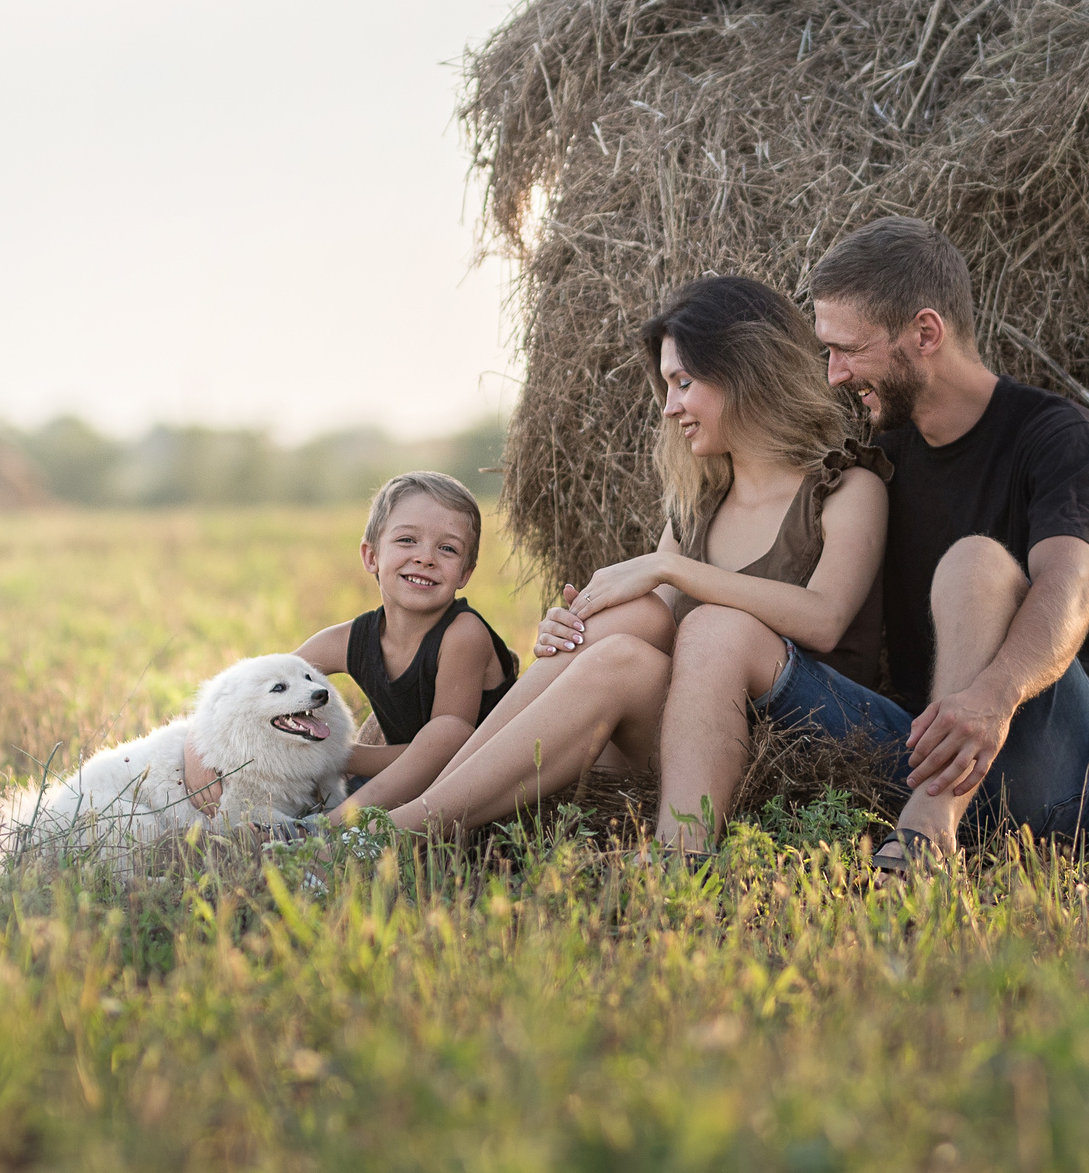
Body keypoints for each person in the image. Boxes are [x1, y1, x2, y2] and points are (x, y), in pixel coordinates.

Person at [659, 217, 1089, 871]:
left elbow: (1072, 589)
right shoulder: (879, 464)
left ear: (925, 333)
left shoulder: (1056, 437)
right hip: (927, 754)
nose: (833, 375)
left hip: (1068, 772)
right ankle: (678, 865)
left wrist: (993, 697)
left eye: (847, 349)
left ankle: (923, 842)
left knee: (974, 565)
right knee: (719, 631)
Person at [386, 275, 889, 841]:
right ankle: (424, 814)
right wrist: (572, 629)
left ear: (746, 371)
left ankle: (402, 827)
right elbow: (653, 625)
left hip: (815, 745)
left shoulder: (846, 488)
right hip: (701, 742)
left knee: (710, 625)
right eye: (667, 387)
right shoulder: (698, 507)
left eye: (684, 382)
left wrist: (669, 567)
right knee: (629, 629)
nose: (670, 408)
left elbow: (825, 619)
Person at [183, 471, 517, 821]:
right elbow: (250, 689)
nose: (426, 557)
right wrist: (195, 745)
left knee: (443, 737)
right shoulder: (348, 641)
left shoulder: (464, 635)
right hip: (400, 785)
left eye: (447, 548)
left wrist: (337, 755)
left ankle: (331, 827)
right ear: (371, 556)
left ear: (465, 573)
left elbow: (448, 750)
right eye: (407, 540)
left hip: (479, 790)